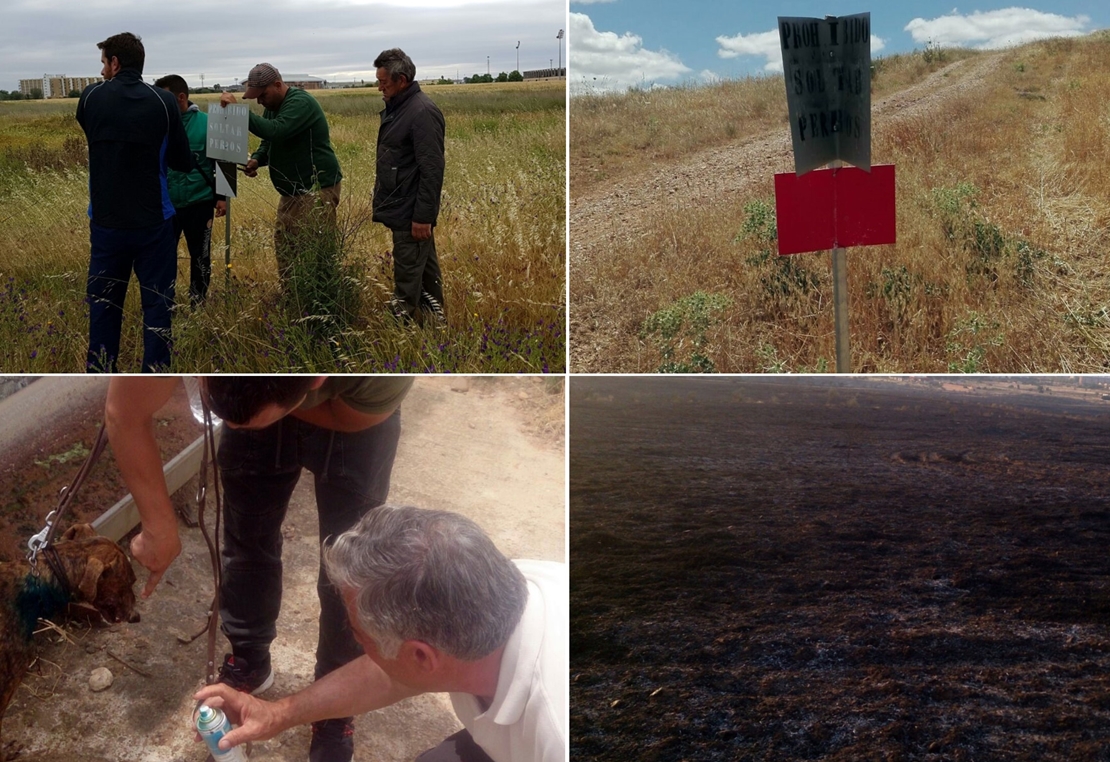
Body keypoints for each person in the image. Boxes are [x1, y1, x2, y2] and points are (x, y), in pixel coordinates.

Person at [104, 376, 413, 762]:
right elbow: (124, 411)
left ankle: (335, 704)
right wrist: (157, 524)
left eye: (241, 420)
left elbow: (353, 418)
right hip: (262, 389)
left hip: (355, 418)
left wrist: (271, 407)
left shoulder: (378, 365)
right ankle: (250, 657)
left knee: (350, 569)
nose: (230, 427)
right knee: (246, 537)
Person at [194, 505, 567, 762]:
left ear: (421, 656)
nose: (357, 643)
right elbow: (394, 674)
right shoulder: (494, 588)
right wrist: (278, 714)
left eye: (360, 636)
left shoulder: (558, 731)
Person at [76, 32, 191, 372]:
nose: (101, 73)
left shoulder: (89, 98)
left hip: (107, 223)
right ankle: (155, 373)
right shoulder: (163, 102)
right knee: (158, 306)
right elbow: (182, 161)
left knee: (103, 305)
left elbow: (92, 131)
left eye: (103, 64)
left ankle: (99, 372)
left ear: (115, 63)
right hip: (154, 224)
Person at [219, 64, 342, 281]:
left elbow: (277, 131)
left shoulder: (300, 102)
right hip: (293, 190)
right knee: (287, 246)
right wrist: (257, 159)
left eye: (262, 95)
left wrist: (240, 113)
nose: (260, 101)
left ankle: (320, 304)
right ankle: (293, 299)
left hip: (315, 189)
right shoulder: (275, 105)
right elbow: (269, 140)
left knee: (313, 251)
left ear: (277, 85)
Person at [372, 48, 447, 326]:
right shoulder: (402, 108)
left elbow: (432, 169)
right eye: (378, 81)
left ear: (401, 80)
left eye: (384, 82)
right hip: (404, 207)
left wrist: (423, 217)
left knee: (407, 277)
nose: (379, 87)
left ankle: (397, 331)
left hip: (410, 212)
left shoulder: (421, 112)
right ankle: (435, 325)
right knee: (426, 272)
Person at [153, 74, 227, 308]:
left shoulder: (207, 123)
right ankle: (166, 303)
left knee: (201, 256)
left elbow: (223, 162)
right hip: (166, 205)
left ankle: (198, 302)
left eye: (165, 99)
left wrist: (223, 198)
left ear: (182, 97)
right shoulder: (157, 125)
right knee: (163, 258)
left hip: (200, 202)